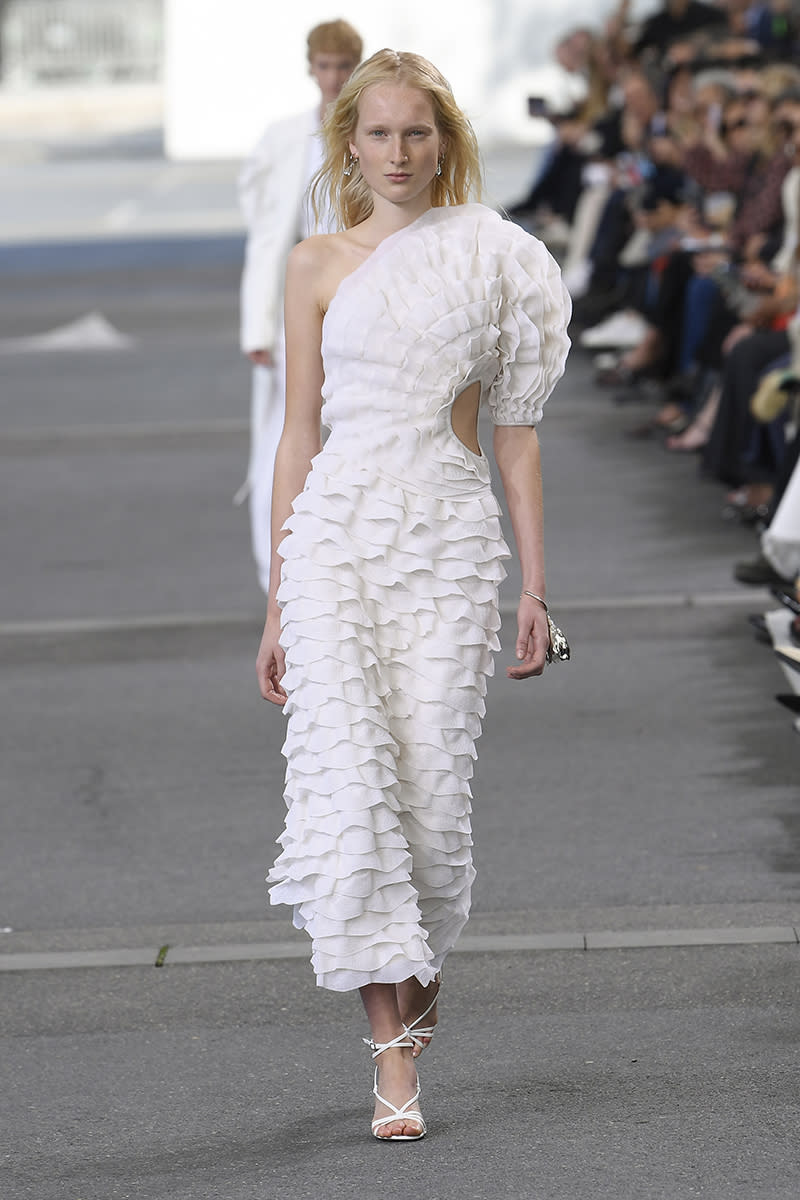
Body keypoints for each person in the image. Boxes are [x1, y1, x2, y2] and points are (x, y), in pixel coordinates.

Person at [255, 48, 571, 1141]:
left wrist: (536, 588)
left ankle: (416, 984)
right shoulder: (312, 265)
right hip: (337, 537)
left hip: (446, 541)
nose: (395, 154)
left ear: (445, 143)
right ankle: (391, 1061)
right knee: (350, 791)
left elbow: (514, 437)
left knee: (429, 813)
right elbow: (299, 431)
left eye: (415, 134)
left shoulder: (497, 260)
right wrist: (276, 601)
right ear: (348, 143)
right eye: (377, 134)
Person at [237, 20, 363, 593]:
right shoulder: (285, 137)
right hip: (298, 308)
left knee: (357, 432)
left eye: (343, 66)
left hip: (360, 307)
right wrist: (258, 321)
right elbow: (264, 230)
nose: (333, 77)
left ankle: (346, 566)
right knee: (284, 435)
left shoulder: (371, 132)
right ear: (310, 67)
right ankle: (277, 573)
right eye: (325, 66)